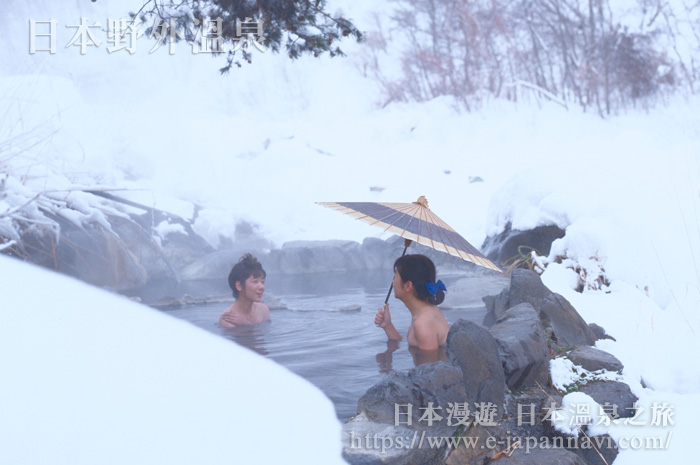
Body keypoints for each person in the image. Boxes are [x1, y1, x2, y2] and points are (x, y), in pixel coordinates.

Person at [374, 254, 449, 353]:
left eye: (395, 277)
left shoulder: (423, 323)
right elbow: (415, 344)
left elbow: (430, 367)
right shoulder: (425, 312)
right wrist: (388, 326)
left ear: (408, 285)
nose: (393, 282)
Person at [218, 253, 270, 328]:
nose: (262, 287)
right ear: (239, 286)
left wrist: (246, 323)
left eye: (262, 282)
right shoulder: (227, 319)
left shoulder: (264, 310)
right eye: (255, 281)